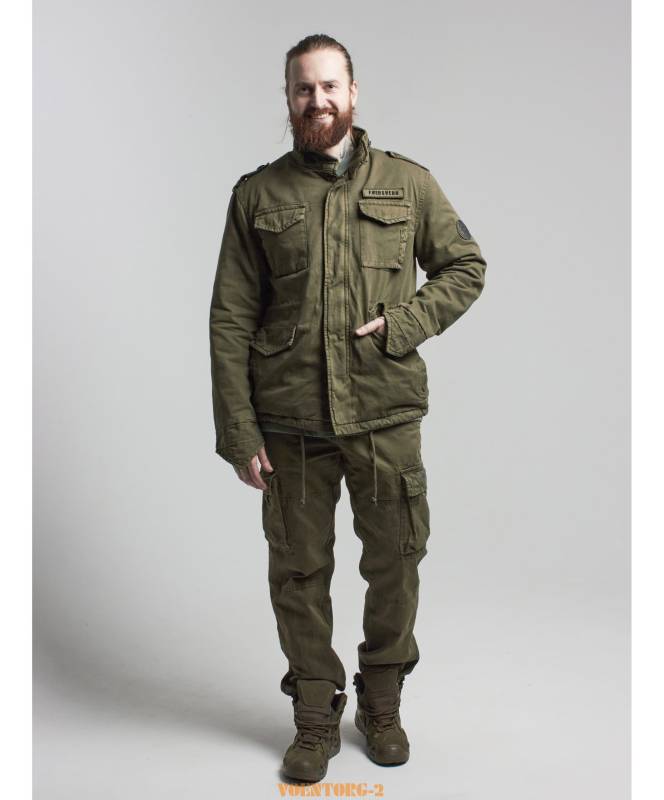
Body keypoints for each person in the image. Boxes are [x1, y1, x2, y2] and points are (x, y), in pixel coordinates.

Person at [209, 33, 487, 783]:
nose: (317, 100)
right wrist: (239, 429)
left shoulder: (408, 184)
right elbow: (230, 317)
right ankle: (313, 714)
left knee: (396, 562)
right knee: (298, 574)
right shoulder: (257, 196)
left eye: (330, 86)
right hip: (290, 421)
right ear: (288, 98)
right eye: (304, 88)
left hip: (383, 414)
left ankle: (383, 703)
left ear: (353, 93)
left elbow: (465, 267)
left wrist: (405, 324)